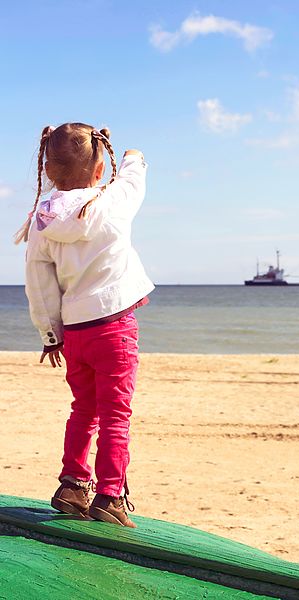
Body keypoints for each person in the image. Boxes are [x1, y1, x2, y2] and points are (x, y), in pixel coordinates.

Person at [16, 122, 155, 528]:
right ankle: (110, 496)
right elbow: (133, 179)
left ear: (48, 170)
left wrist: (50, 332)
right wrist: (133, 156)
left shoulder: (41, 220)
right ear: (99, 170)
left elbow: (38, 283)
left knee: (84, 409)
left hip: (75, 332)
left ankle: (73, 485)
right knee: (116, 413)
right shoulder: (111, 203)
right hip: (114, 328)